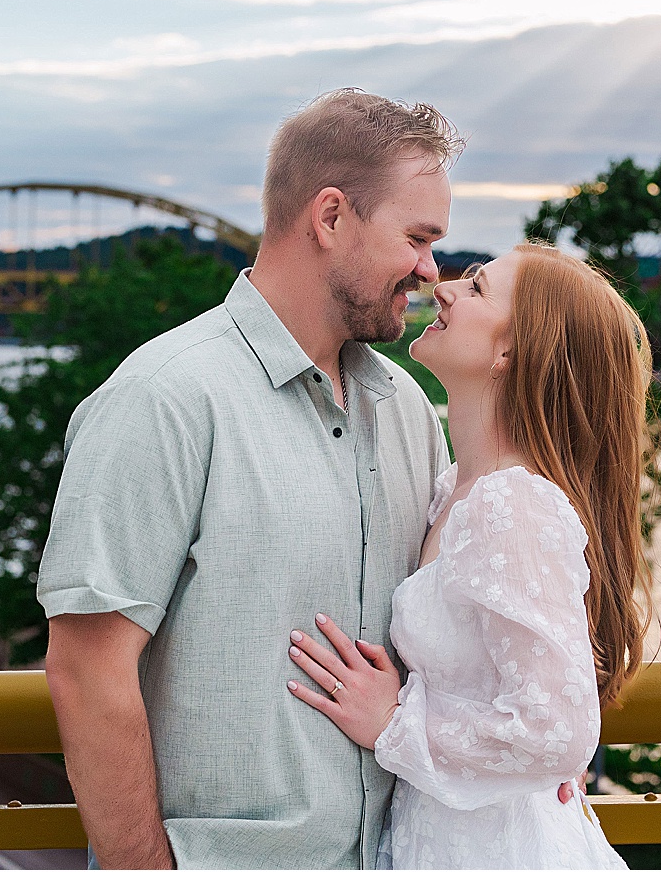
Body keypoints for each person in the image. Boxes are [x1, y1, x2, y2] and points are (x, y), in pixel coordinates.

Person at [37, 89, 463, 869]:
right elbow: (85, 668)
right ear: (331, 217)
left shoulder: (407, 407)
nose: (432, 271)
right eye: (417, 237)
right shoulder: (161, 398)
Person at [285, 242, 654, 869]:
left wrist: (394, 722)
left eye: (478, 288)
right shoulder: (453, 489)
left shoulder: (511, 505)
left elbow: (558, 733)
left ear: (512, 351)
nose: (447, 289)